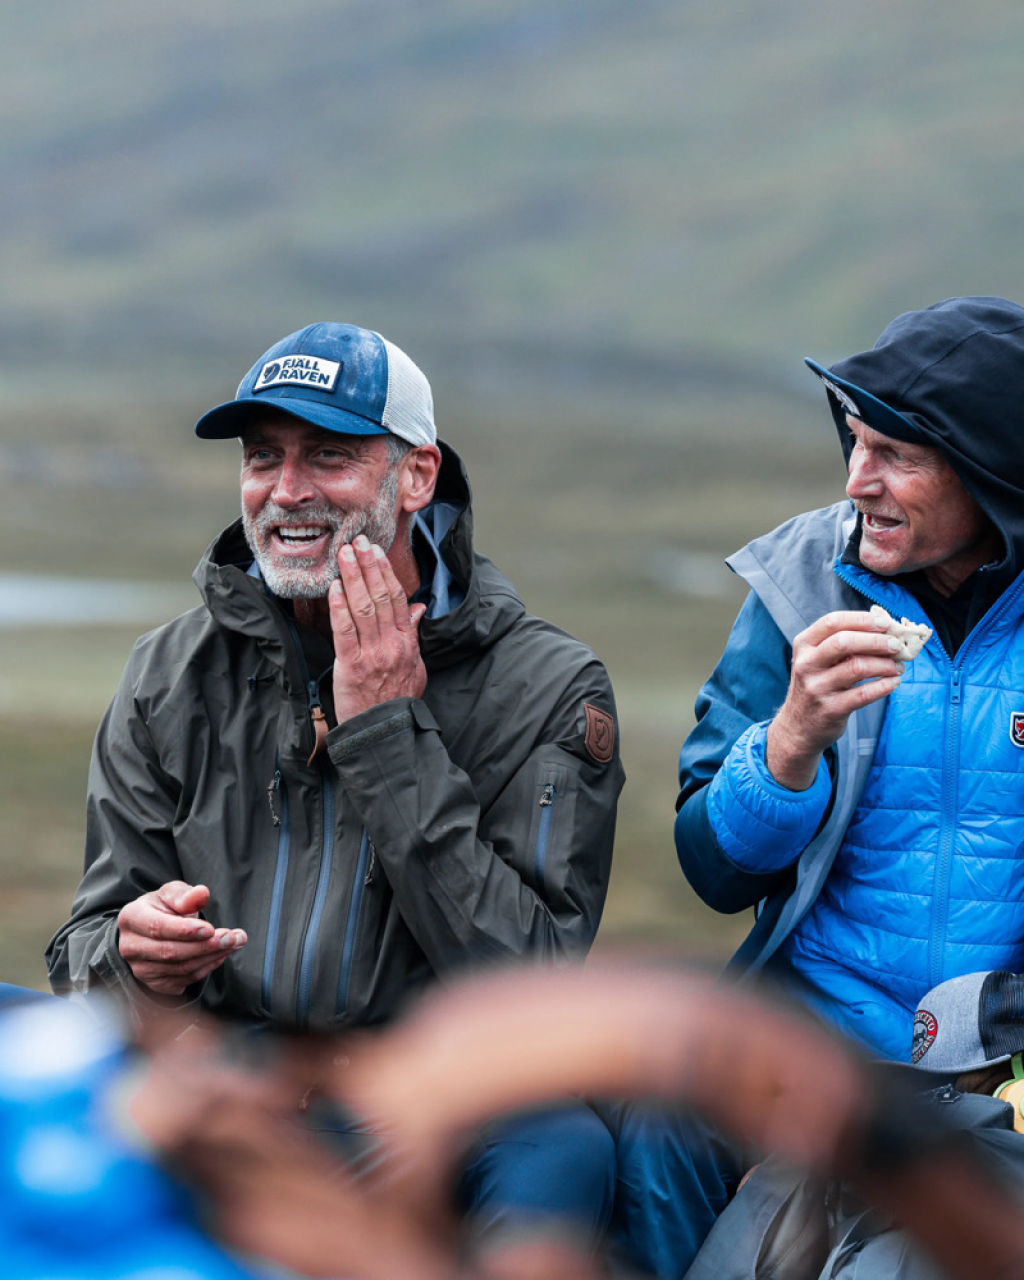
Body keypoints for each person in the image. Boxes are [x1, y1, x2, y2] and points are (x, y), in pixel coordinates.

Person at [46, 321, 625, 1255]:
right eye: (263, 458)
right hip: (222, 1086)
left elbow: (535, 986)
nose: (287, 493)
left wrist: (389, 737)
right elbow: (79, 950)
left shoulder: (549, 687)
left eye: (329, 456)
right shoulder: (169, 672)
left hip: (426, 1104)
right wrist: (128, 952)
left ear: (418, 476)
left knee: (564, 1148)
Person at [609, 295, 1024, 1276]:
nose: (857, 480)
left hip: (984, 1083)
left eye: (894, 454)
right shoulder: (799, 586)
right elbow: (710, 868)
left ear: (991, 474)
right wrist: (790, 740)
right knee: (652, 1134)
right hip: (796, 1057)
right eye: (853, 442)